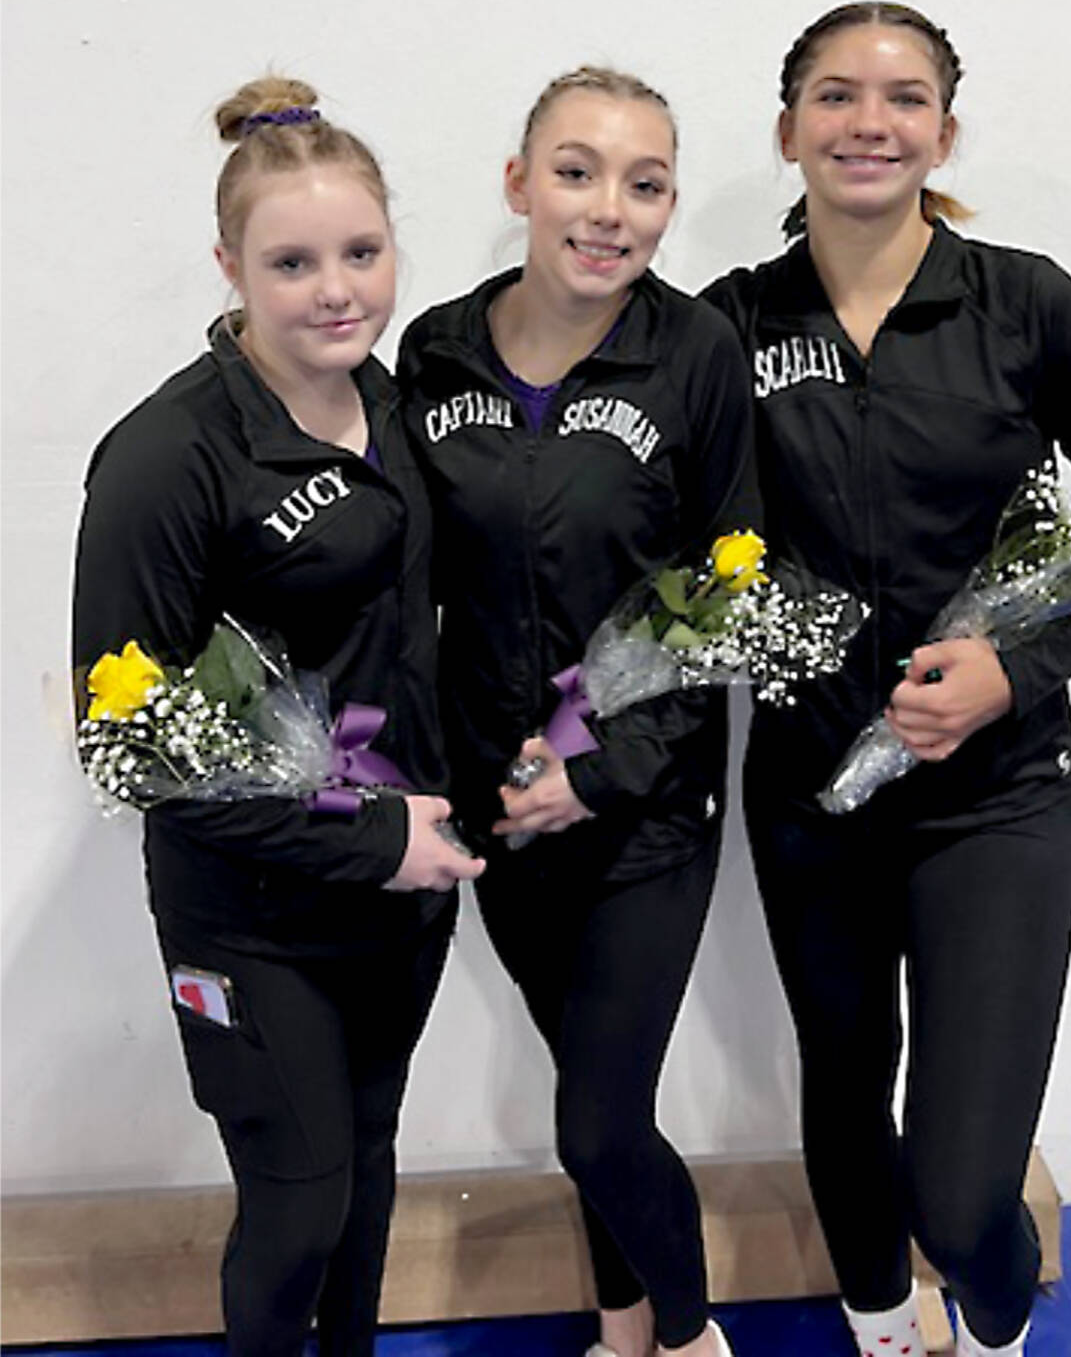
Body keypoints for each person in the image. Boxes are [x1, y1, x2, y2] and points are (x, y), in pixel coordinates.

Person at [701, 3, 1071, 1357]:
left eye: (904, 98)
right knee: (847, 1098)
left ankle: (989, 1328)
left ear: (944, 130)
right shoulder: (725, 326)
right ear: (788, 127)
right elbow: (664, 541)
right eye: (838, 96)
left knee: (964, 1177)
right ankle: (875, 1327)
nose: (871, 123)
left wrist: (1011, 669)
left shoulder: (1024, 301)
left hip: (1000, 793)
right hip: (813, 795)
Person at [72, 77, 483, 1357]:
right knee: (298, 1199)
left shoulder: (398, 411)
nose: (336, 289)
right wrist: (368, 842)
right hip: (252, 914)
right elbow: (130, 740)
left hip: (399, 889)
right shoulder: (166, 458)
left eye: (361, 252)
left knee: (361, 1172)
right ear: (230, 266)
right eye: (292, 262)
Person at [397, 67, 755, 1357]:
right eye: (576, 171)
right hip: (500, 811)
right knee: (585, 1095)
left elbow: (726, 586)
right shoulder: (432, 348)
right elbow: (408, 578)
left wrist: (601, 771)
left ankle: (693, 1336)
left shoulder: (695, 353)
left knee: (596, 1121)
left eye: (644, 183)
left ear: (664, 208)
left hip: (641, 810)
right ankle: (621, 1326)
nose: (609, 209)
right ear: (518, 185)